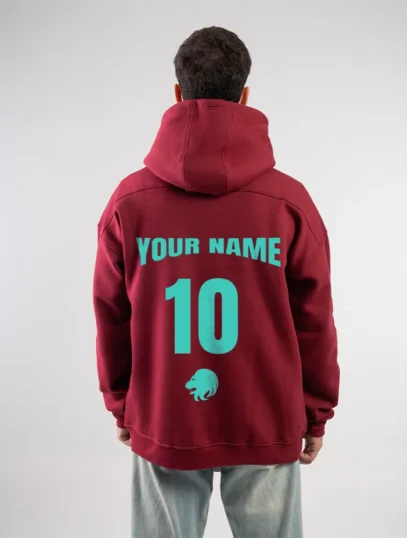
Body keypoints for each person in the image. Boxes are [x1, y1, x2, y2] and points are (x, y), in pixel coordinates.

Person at [93, 26, 339, 538]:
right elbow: (314, 318)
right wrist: (315, 414)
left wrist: (123, 404)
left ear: (177, 94)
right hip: (266, 415)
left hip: (164, 415)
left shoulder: (129, 203)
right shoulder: (288, 203)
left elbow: (111, 314)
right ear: (245, 96)